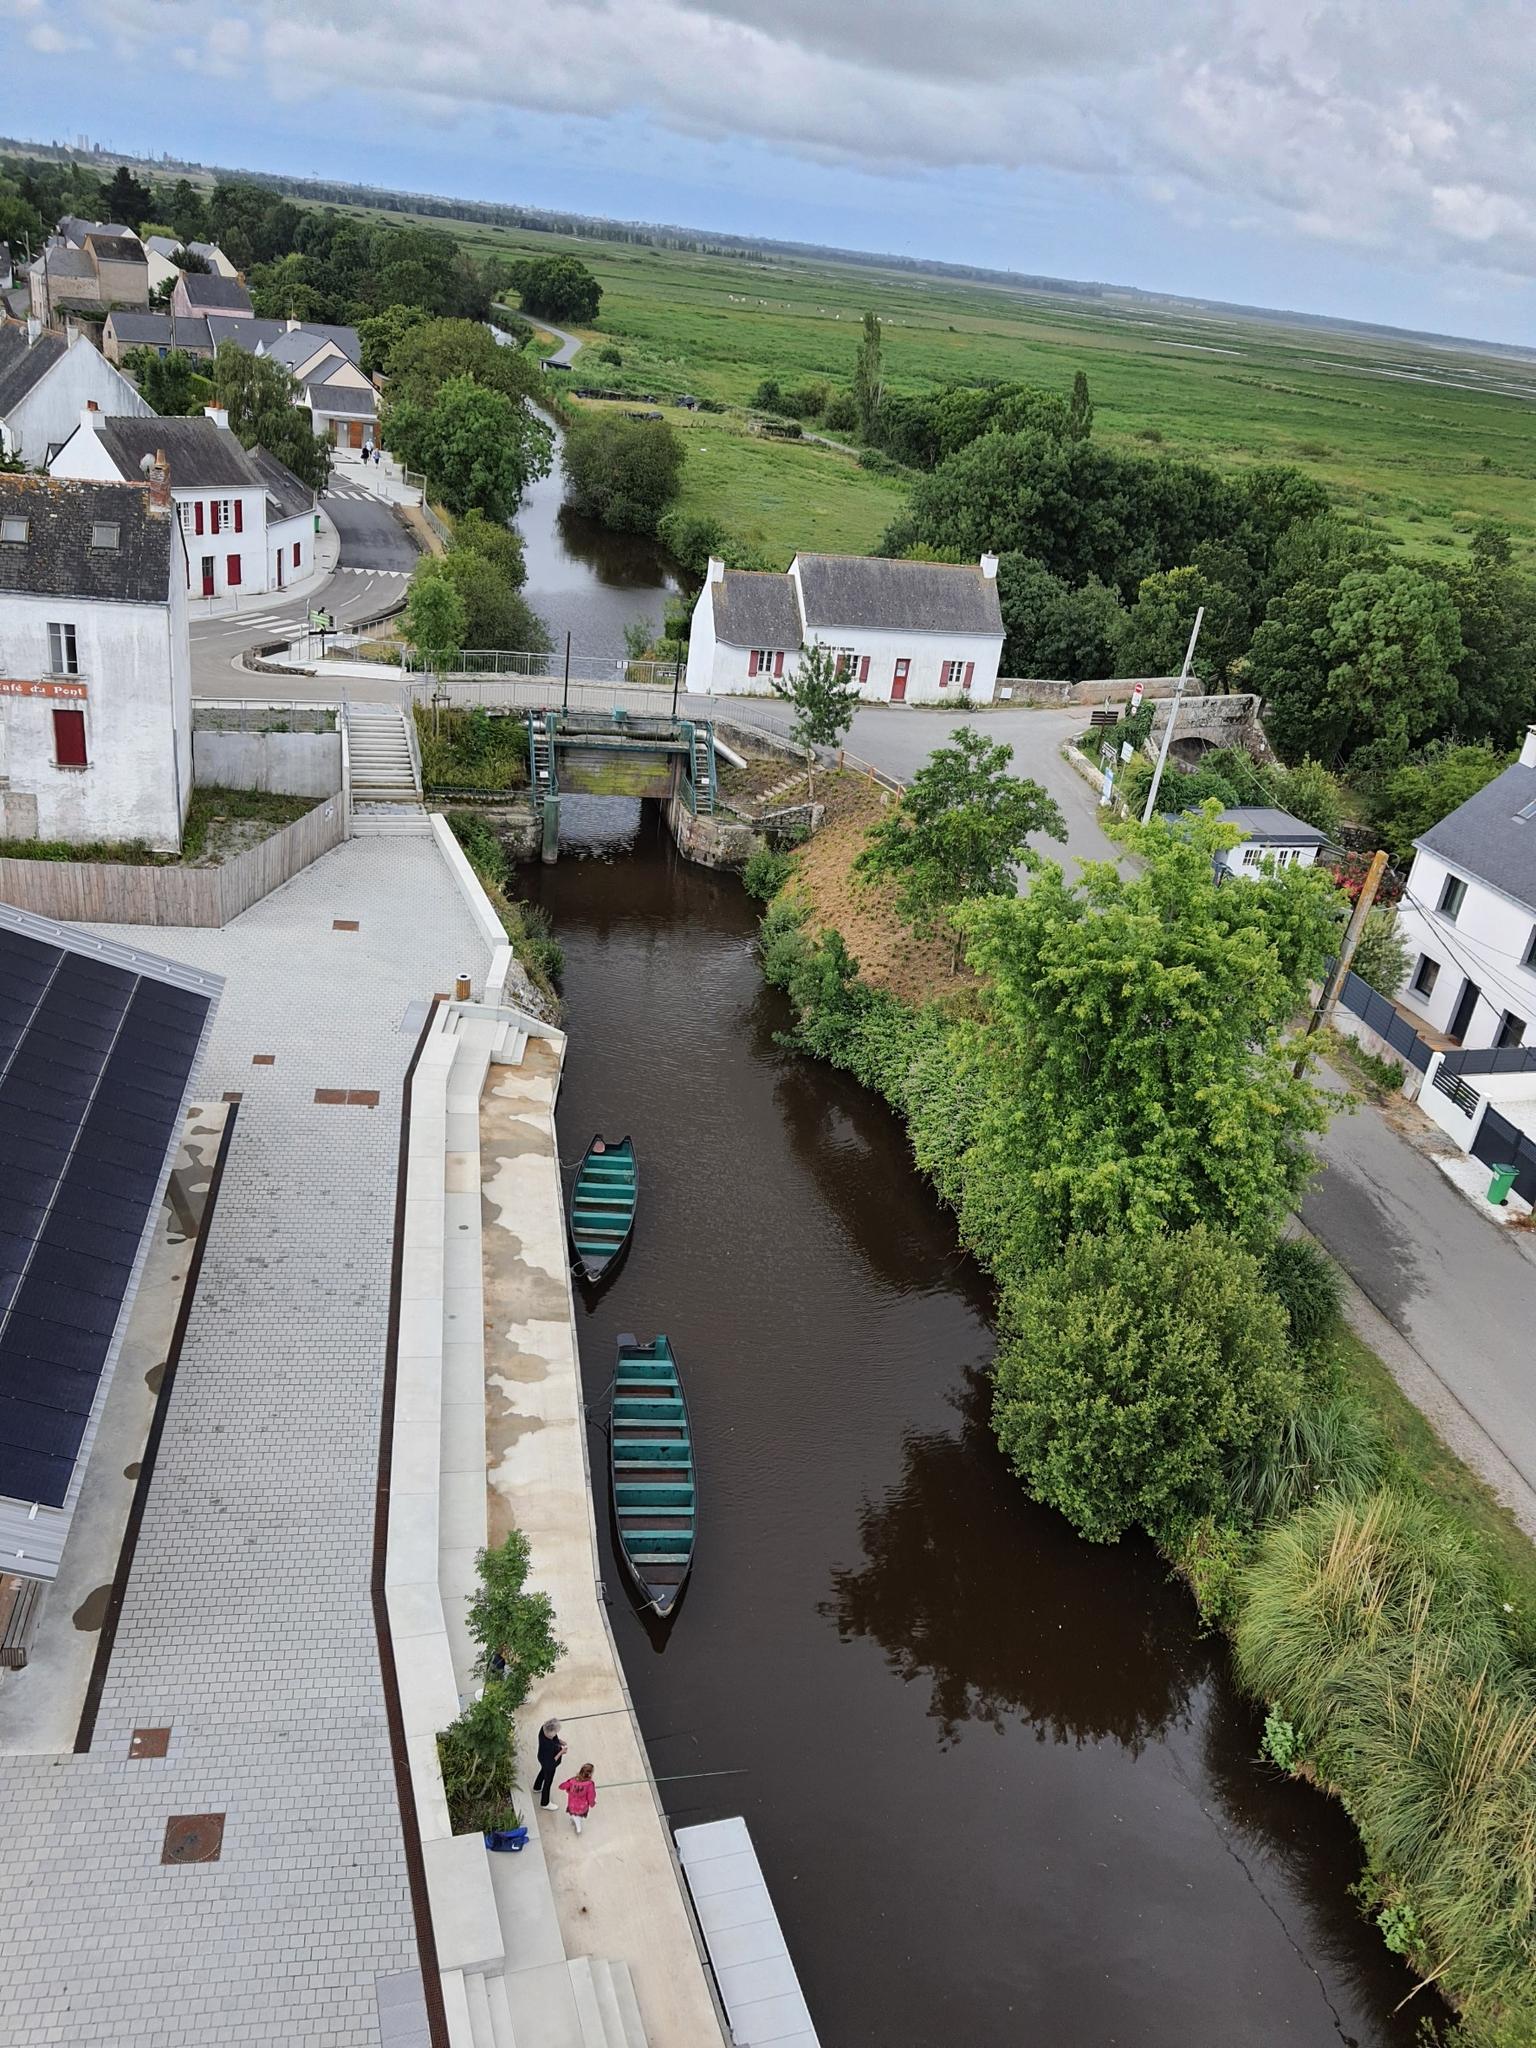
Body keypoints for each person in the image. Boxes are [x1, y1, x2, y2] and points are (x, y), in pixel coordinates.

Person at [533, 1718, 566, 1808]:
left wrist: (559, 1741)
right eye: (555, 1732)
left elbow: (554, 1738)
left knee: (543, 1771)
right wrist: (561, 1752)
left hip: (542, 1758)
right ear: (550, 1732)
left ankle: (537, 1787)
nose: (556, 1734)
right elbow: (552, 1760)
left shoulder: (543, 1729)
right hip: (549, 1764)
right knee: (548, 1782)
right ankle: (545, 1803)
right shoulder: (549, 1746)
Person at [558, 1762, 597, 1835]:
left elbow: (562, 1786)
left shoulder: (572, 1781)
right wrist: (592, 1803)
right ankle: (578, 1828)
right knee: (578, 1817)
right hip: (582, 1806)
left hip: (572, 1804)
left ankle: (576, 1823)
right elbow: (591, 1796)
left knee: (574, 1815)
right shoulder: (590, 1784)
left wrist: (564, 1786)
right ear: (590, 1774)